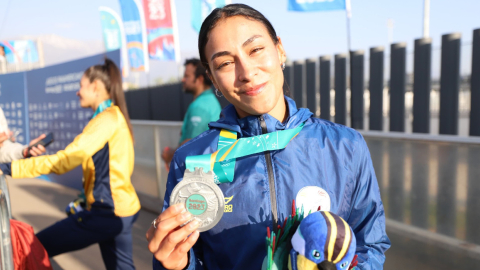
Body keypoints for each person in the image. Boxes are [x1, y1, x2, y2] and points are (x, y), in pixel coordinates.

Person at [146, 4, 390, 270]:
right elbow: (185, 258)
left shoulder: (345, 146)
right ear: (213, 79)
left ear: (280, 49)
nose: (247, 73)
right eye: (226, 63)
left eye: (256, 49)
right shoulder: (191, 160)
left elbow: (369, 244)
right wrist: (178, 263)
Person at [0, 59, 140, 270]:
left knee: (32, 247)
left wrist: (10, 168)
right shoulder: (115, 116)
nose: (77, 92)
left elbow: (66, 160)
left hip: (107, 213)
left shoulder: (106, 119)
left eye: (81, 86)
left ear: (95, 87)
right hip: (123, 209)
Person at [161, 58, 221, 169]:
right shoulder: (209, 100)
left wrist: (170, 155)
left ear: (199, 79)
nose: (183, 80)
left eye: (187, 76)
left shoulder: (200, 107)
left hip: (199, 175)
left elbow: (191, 144)